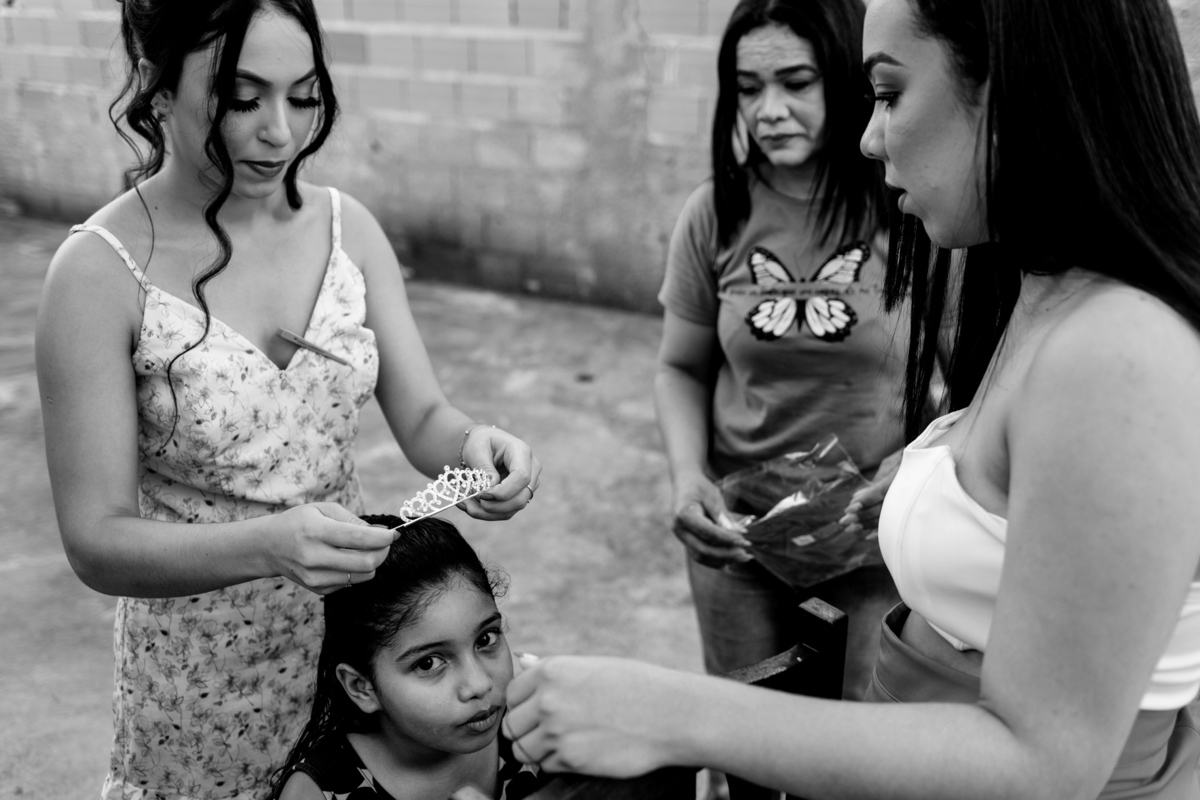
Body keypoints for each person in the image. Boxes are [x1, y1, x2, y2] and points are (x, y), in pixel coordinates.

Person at [502, 0, 1200, 797]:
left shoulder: (1120, 351)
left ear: (1012, 87)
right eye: (748, 89)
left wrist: (672, 713)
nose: (871, 137)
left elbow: (1042, 762)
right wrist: (923, 471)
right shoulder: (1043, 291)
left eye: (890, 94)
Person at [33, 2, 540, 797]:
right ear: (156, 88)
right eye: (243, 99)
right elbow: (96, 540)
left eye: (303, 97)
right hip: (200, 675)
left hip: (359, 640)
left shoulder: (348, 229)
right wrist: (269, 546)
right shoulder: (97, 273)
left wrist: (473, 446)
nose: (281, 133)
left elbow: (422, 417)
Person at [654, 0, 903, 706]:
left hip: (869, 533)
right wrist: (686, 477)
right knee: (744, 723)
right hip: (740, 537)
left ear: (846, 80)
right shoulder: (715, 213)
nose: (769, 110)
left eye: (796, 83)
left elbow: (974, 379)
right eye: (748, 88)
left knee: (858, 735)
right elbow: (680, 367)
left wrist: (914, 466)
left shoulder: (907, 208)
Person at [270, 515, 550, 800]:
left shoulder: (542, 731)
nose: (480, 684)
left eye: (486, 639)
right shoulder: (317, 793)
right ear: (361, 687)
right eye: (428, 663)